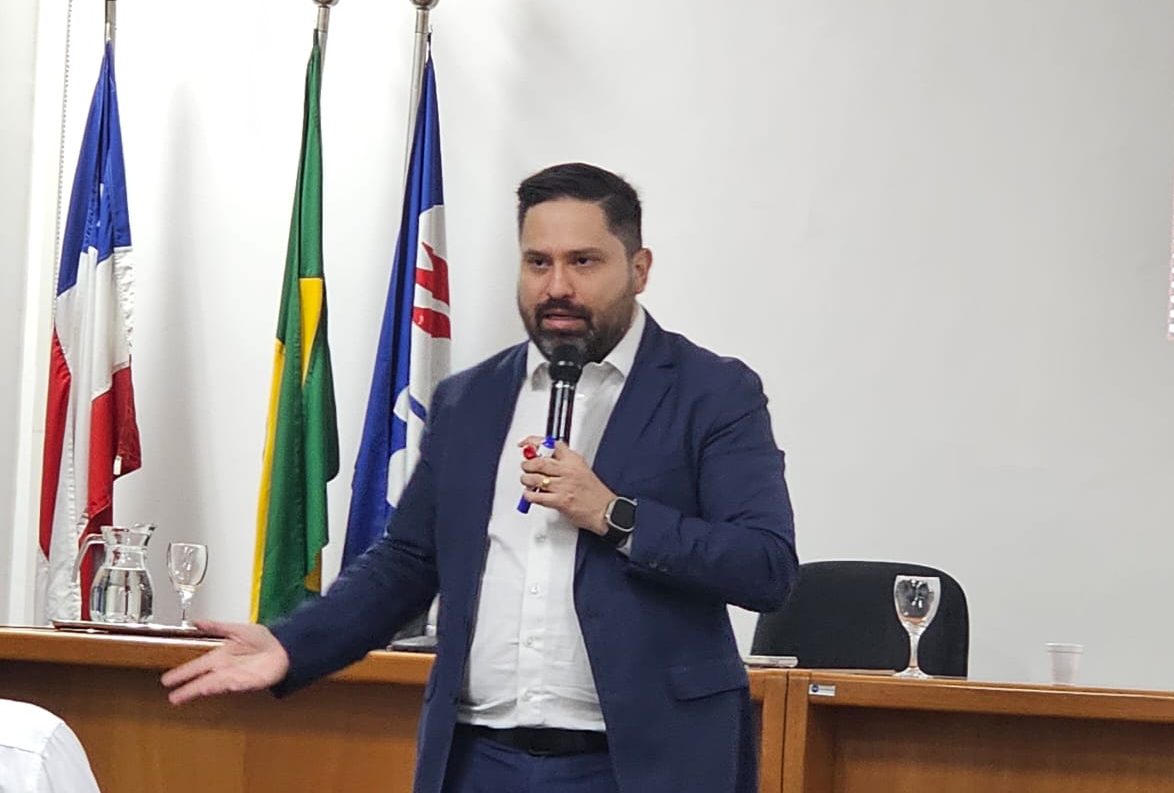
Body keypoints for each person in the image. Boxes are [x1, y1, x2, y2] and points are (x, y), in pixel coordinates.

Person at [162, 162, 798, 793]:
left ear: (639, 269)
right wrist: (293, 646)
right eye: (538, 262)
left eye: (583, 262)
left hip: (643, 764)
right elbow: (408, 561)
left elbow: (764, 565)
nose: (557, 286)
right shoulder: (471, 399)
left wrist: (613, 514)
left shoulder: (712, 393)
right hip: (481, 759)